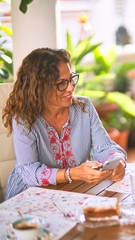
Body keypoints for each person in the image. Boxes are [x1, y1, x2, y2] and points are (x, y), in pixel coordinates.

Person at [2, 48, 127, 200]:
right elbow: (29, 172)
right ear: (39, 87)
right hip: (29, 193)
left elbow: (106, 147)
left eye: (71, 79)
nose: (71, 88)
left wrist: (116, 161)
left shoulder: (84, 108)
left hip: (72, 189)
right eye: (61, 83)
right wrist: (72, 173)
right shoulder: (24, 118)